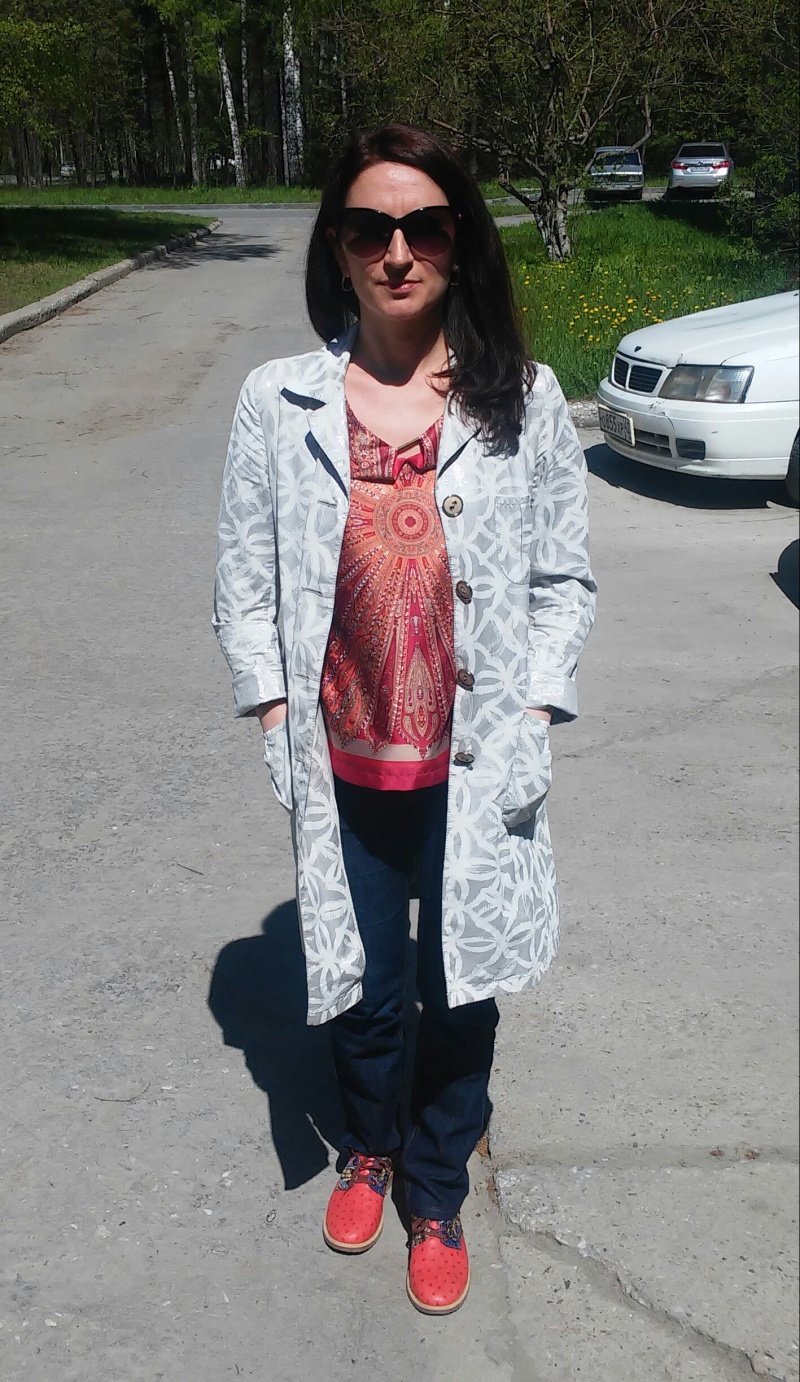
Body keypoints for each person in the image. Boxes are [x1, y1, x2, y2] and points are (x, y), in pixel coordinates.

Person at [213, 124, 596, 1315]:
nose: (396, 252)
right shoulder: (277, 399)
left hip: (473, 762)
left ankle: (435, 1185)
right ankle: (369, 1145)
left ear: (457, 243)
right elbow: (244, 577)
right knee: (369, 984)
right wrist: (273, 706)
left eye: (423, 226)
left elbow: (562, 577)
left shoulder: (521, 398)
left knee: (460, 983)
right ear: (336, 248)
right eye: (369, 228)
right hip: (343, 756)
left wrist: (532, 702)